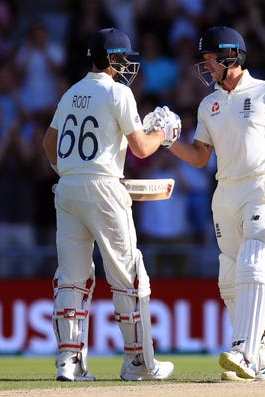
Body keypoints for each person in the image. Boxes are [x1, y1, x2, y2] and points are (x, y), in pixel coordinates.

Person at [167, 26, 265, 381]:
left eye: (210, 59)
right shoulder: (209, 104)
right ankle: (262, 355)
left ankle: (244, 352)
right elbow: (199, 157)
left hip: (261, 188)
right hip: (224, 193)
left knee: (255, 266)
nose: (205, 66)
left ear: (230, 57)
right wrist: (167, 141)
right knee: (230, 278)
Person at [42, 27, 177, 382]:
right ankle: (138, 363)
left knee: (72, 278)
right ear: (114, 60)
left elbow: (48, 144)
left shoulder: (71, 92)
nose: (128, 65)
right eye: (125, 59)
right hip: (103, 187)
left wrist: (70, 171)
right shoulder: (119, 92)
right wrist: (165, 132)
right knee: (127, 276)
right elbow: (141, 149)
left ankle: (69, 363)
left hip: (67, 188)